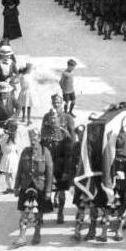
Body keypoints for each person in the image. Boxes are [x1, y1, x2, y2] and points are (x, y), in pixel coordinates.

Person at [12, 128, 54, 247]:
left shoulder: (45, 152)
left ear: (39, 139)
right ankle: (22, 236)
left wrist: (48, 190)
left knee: (38, 212)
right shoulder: (25, 152)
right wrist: (16, 186)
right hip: (26, 186)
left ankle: (37, 232)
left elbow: (49, 173)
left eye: (35, 139)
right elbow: (20, 169)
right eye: (31, 139)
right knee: (24, 212)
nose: (33, 142)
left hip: (40, 187)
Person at [40, 93, 75, 224]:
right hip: (49, 159)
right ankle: (42, 212)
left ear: (62, 103)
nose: (56, 104)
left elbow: (72, 138)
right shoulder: (46, 117)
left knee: (61, 189)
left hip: (61, 159)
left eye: (58, 102)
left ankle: (60, 212)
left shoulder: (68, 118)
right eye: (54, 102)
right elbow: (42, 136)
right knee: (45, 187)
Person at [0, 118, 21, 194]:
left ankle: (9, 187)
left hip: (7, 156)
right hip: (14, 156)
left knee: (7, 174)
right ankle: (15, 187)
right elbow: (18, 146)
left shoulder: (5, 136)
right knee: (13, 173)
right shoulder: (17, 135)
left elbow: (0, 143)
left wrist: (5, 135)